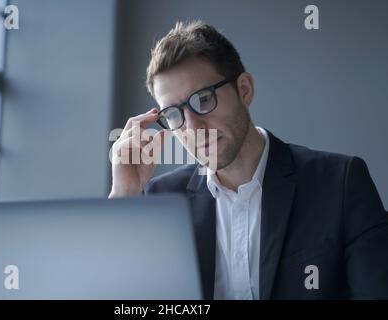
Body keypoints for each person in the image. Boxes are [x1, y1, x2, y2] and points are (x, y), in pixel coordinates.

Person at [109, 20, 388, 299]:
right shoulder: (161, 200)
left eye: (203, 100)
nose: (193, 129)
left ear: (244, 90)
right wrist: (125, 193)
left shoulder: (340, 183)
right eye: (173, 114)